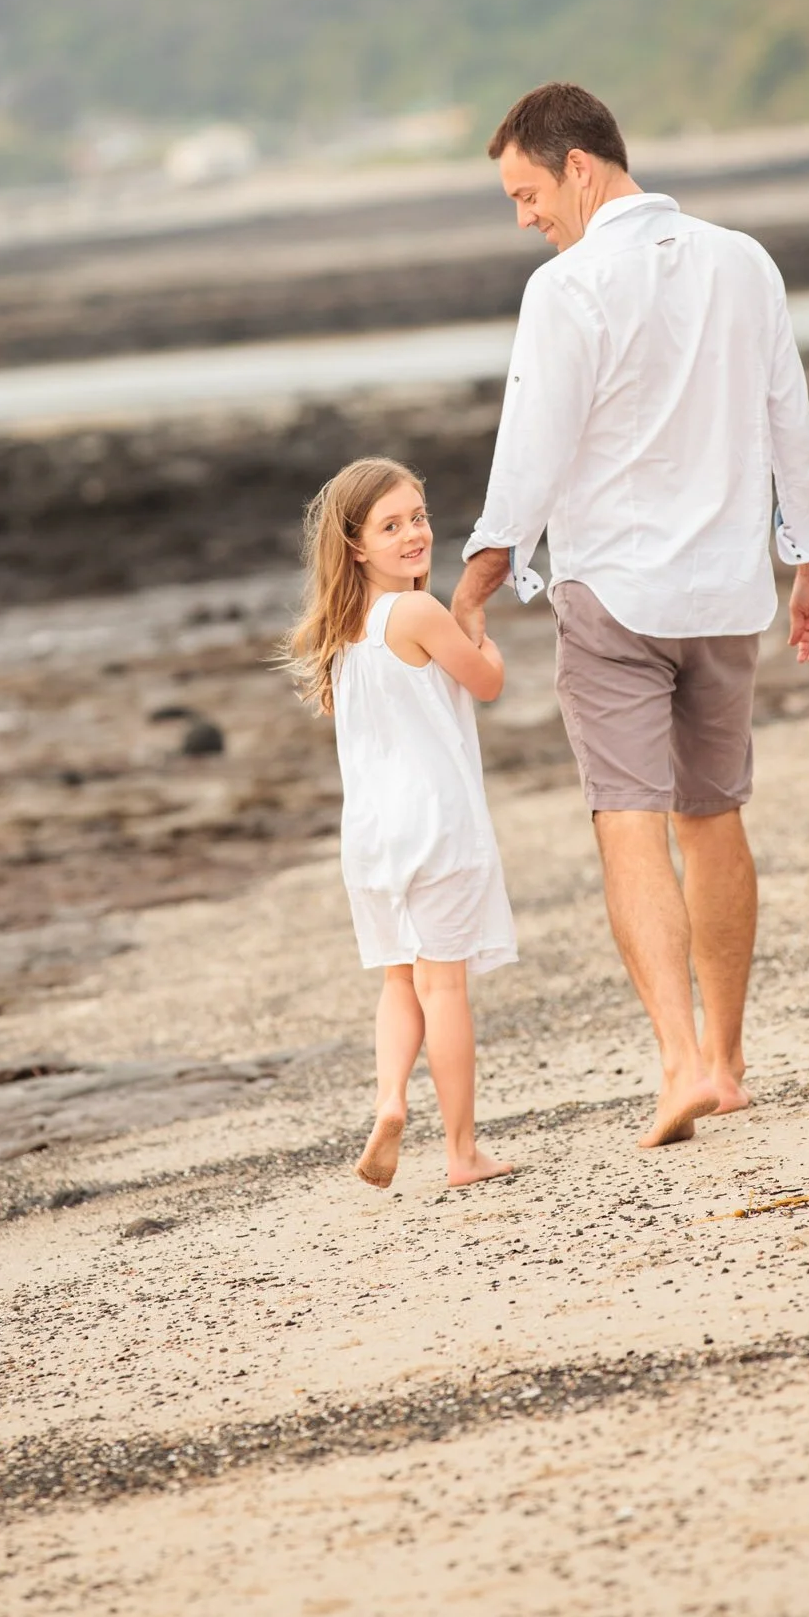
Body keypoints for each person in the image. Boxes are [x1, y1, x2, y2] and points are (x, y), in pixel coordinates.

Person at [452, 81, 809, 1150]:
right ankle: (726, 1059)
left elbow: (528, 455)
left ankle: (677, 1059)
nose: (523, 218)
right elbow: (789, 424)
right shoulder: (743, 261)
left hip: (616, 594)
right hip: (726, 595)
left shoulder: (566, 290)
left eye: (526, 192)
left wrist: (477, 583)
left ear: (579, 166)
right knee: (712, 814)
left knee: (628, 816)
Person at [285, 456, 517, 1190]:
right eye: (391, 526)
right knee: (443, 987)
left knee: (398, 980)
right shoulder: (416, 613)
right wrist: (479, 628)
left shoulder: (338, 628)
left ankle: (389, 1100)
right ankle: (460, 1152)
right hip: (437, 824)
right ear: (356, 545)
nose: (414, 533)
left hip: (372, 835)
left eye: (417, 516)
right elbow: (486, 682)